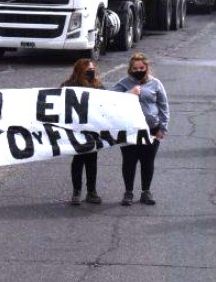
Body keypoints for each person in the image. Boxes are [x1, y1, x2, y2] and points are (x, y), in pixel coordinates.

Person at [112, 53, 170, 206]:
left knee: (147, 161)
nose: (138, 70)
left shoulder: (155, 83)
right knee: (129, 161)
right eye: (135, 68)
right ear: (130, 69)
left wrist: (163, 128)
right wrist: (128, 94)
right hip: (130, 130)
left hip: (151, 128)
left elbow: (164, 106)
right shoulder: (124, 83)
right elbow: (109, 100)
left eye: (141, 68)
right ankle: (128, 192)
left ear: (146, 68)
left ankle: (146, 191)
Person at [61, 59, 104, 205]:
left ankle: (91, 192)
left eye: (93, 70)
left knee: (92, 160)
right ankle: (77, 191)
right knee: (78, 160)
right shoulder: (68, 86)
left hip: (92, 130)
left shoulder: (98, 85)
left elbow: (108, 103)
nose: (91, 72)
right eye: (88, 71)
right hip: (76, 130)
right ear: (79, 71)